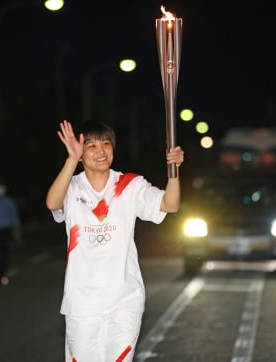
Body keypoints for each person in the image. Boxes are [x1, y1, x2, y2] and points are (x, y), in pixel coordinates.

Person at [45, 120, 184, 362]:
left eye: (106, 144)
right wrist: (70, 160)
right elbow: (53, 203)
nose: (101, 151)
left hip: (125, 300)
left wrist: (174, 171)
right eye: (91, 146)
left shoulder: (130, 185)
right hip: (82, 303)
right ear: (80, 153)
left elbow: (169, 205)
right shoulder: (72, 186)